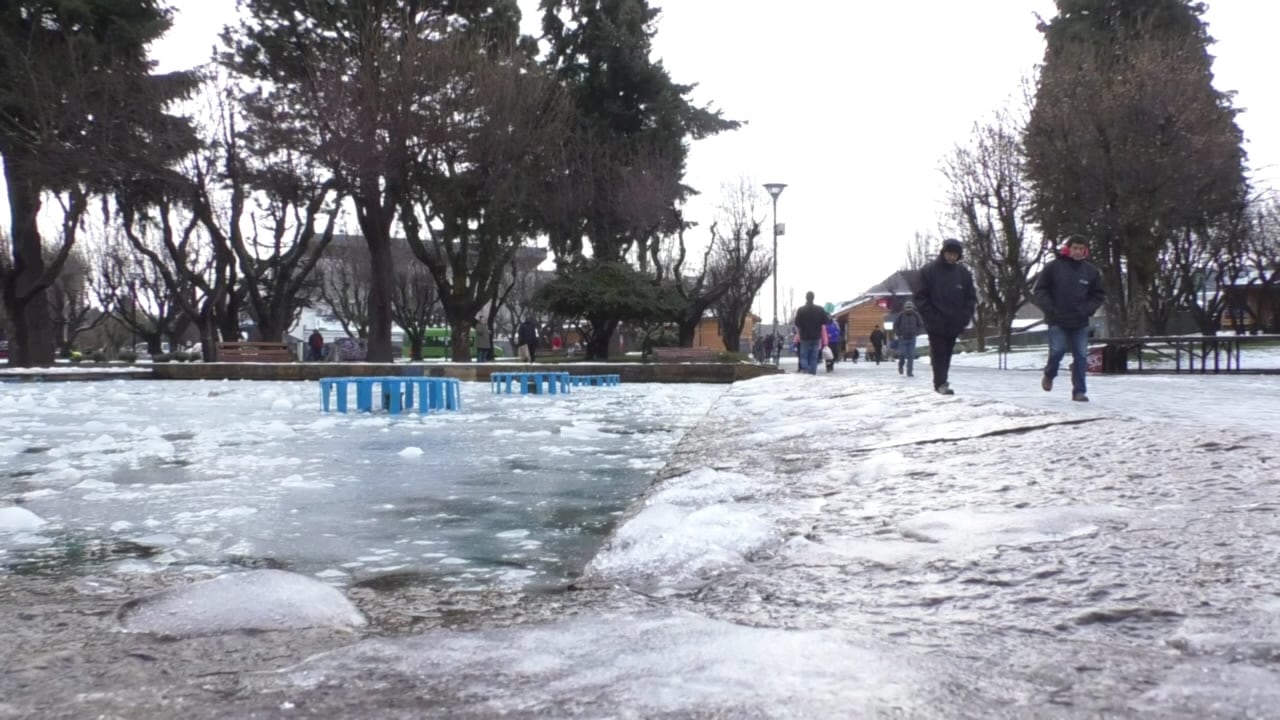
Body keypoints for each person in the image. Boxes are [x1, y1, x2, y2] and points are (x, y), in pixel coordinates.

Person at [1032, 235, 1105, 402]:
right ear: (1068, 248)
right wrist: (1050, 309)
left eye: (1081, 248)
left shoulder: (1091, 272)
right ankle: (1049, 374)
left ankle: (1079, 391)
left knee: (1080, 356)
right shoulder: (1053, 267)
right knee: (1057, 350)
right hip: (1057, 319)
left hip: (1080, 321)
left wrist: (1087, 310)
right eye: (1075, 248)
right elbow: (1040, 291)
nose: (1078, 252)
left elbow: (1098, 295)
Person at [914, 237, 977, 395]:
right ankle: (940, 382)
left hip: (955, 321)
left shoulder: (963, 274)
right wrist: (931, 316)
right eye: (949, 253)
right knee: (938, 352)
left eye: (954, 254)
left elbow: (970, 297)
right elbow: (920, 297)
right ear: (943, 253)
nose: (951, 257)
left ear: (959, 256)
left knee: (947, 353)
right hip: (935, 321)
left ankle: (942, 380)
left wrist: (964, 317)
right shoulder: (929, 271)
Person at [792, 291, 830, 375]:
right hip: (816, 336)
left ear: (806, 298)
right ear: (814, 298)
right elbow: (825, 321)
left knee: (804, 355)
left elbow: (797, 323)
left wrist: (803, 325)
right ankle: (812, 372)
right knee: (814, 356)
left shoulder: (801, 310)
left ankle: (805, 369)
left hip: (804, 336)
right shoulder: (820, 309)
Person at [894, 300, 925, 378]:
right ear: (904, 308)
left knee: (911, 356)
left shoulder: (916, 315)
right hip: (903, 338)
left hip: (912, 338)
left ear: (912, 308)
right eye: (907, 307)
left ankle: (909, 371)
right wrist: (899, 334)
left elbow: (920, 325)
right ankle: (901, 365)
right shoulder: (900, 315)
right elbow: (896, 325)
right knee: (902, 354)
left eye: (910, 308)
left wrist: (917, 333)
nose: (908, 309)